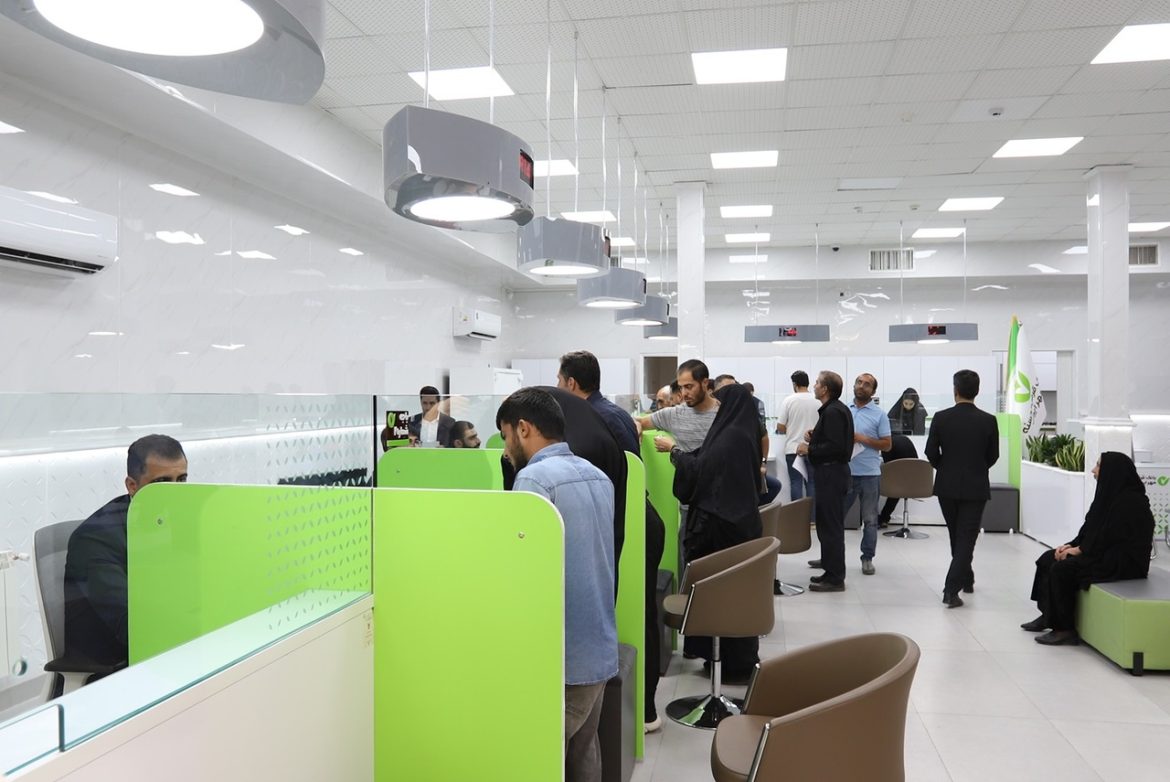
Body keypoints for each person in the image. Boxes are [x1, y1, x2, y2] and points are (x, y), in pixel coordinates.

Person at [496, 388, 617, 782]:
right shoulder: (598, 476)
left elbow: (524, 575)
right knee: (583, 753)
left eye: (505, 437)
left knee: (543, 759)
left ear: (523, 429)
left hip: (563, 658)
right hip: (599, 646)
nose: (505, 450)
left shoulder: (534, 481)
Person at [657, 383, 763, 681]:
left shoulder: (730, 437)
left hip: (720, 531)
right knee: (734, 598)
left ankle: (728, 661)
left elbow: (700, 471)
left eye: (719, 403)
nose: (715, 408)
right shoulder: (743, 434)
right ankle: (726, 658)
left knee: (719, 598)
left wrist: (674, 451)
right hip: (739, 526)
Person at [63, 434, 188, 670]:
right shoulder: (96, 538)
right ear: (132, 486)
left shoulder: (181, 523)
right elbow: (132, 626)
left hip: (170, 647)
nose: (175, 492)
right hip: (118, 664)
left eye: (181, 480)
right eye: (162, 483)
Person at [1023, 452, 1155, 645]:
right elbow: (1090, 530)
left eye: (1098, 466)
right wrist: (1071, 545)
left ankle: (1064, 629)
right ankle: (1048, 615)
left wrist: (1080, 550)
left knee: (1062, 569)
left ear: (1112, 471)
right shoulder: (1107, 496)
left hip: (1122, 561)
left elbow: (1110, 538)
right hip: (1100, 552)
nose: (1094, 470)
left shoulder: (1132, 503)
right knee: (1047, 558)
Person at [926, 369, 999, 608]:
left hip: (946, 486)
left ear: (955, 390)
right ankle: (957, 584)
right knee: (966, 537)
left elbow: (930, 452)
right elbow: (993, 455)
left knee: (956, 534)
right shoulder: (988, 420)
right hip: (976, 487)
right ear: (977, 391)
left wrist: (944, 467)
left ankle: (958, 583)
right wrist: (977, 468)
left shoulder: (941, 418)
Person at [799, 371, 853, 592]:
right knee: (827, 525)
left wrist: (809, 449)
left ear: (825, 389)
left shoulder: (832, 412)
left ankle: (835, 578)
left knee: (831, 526)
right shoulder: (835, 410)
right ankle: (830, 569)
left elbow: (835, 448)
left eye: (817, 383)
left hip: (831, 474)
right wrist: (816, 437)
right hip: (831, 474)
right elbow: (834, 441)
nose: (814, 385)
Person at [843, 373, 891, 575]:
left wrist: (862, 439)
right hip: (845, 472)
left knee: (870, 519)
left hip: (869, 474)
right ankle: (831, 556)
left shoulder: (879, 415)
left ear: (873, 391)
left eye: (867, 384)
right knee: (836, 518)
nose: (862, 386)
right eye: (859, 382)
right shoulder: (844, 410)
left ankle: (867, 558)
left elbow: (887, 445)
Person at [558, 351, 639, 455]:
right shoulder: (621, 414)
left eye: (559, 380)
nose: (557, 386)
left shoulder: (587, 420)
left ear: (571, 383)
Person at [776, 371, 821, 503]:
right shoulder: (818, 400)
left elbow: (780, 426)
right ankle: (812, 515)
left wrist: (791, 430)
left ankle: (797, 515)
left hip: (793, 449)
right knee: (812, 483)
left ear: (794, 384)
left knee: (795, 482)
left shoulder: (789, 400)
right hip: (813, 449)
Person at [878, 434, 919, 527]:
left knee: (874, 482)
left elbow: (888, 466)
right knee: (898, 485)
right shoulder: (904, 439)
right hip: (917, 480)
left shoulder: (887, 445)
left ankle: (880, 518)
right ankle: (884, 518)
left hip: (900, 480)